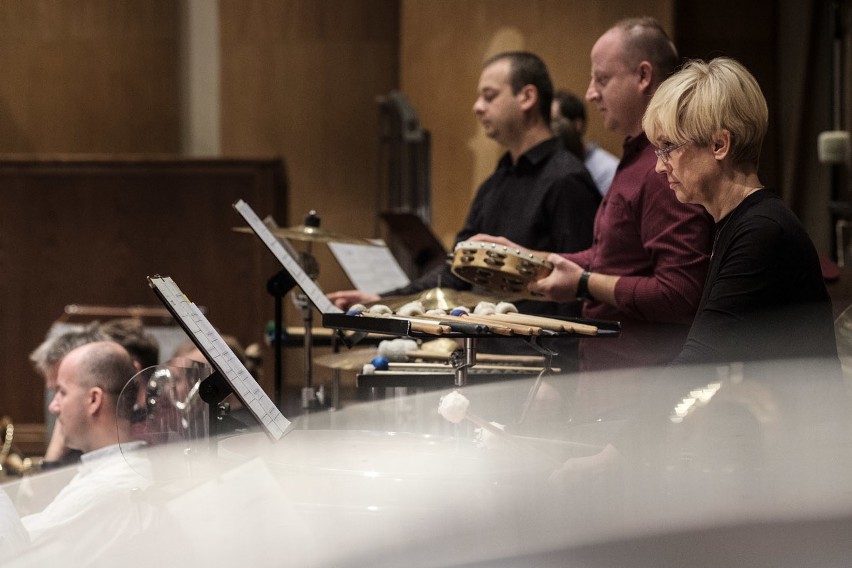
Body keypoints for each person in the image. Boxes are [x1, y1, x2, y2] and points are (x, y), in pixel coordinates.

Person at [328, 51, 601, 369]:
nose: (477, 107)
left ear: (527, 97)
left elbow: (577, 291)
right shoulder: (495, 184)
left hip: (539, 365)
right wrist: (385, 300)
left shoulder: (566, 179)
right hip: (484, 356)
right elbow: (455, 270)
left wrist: (560, 372)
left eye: (489, 96)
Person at [475, 18, 714, 372]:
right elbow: (611, 258)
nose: (589, 93)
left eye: (602, 79)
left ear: (643, 76)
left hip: (640, 388)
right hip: (610, 380)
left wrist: (584, 284)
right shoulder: (636, 159)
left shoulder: (664, 167)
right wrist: (532, 259)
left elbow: (680, 293)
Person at [642, 57, 837, 364]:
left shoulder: (763, 231)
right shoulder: (739, 223)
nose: (658, 166)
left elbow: (701, 361)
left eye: (668, 147)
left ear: (720, 144)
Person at [20, 341, 153, 551]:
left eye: (62, 393)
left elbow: (13, 547)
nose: (53, 406)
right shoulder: (112, 468)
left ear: (93, 399)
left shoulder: (106, 486)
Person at [552, 89, 619, 195]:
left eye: (555, 121)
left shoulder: (609, 171)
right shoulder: (552, 165)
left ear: (577, 125)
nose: (549, 129)